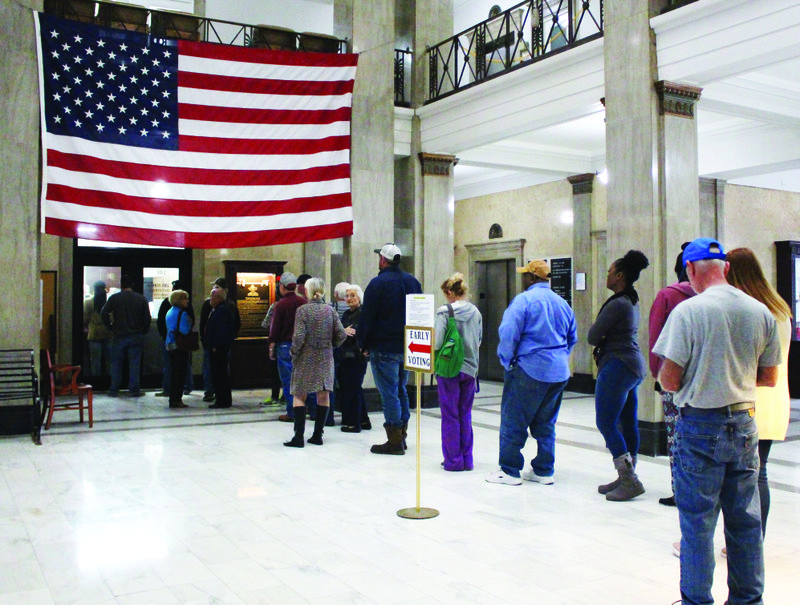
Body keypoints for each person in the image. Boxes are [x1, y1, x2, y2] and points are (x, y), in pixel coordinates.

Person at [653, 237, 780, 605]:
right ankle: (748, 599)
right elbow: (770, 377)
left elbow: (669, 379)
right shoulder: (760, 311)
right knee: (745, 521)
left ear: (690, 270)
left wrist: (706, 378)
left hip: (700, 425)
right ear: (725, 268)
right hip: (744, 423)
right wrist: (732, 377)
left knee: (697, 523)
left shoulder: (689, 312)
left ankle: (696, 600)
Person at [486, 260, 577, 485]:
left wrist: (507, 362)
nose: (523, 279)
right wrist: (560, 359)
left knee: (514, 419)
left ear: (532, 278)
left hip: (529, 369)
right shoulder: (562, 303)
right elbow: (572, 337)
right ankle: (544, 470)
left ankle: (509, 470)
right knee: (546, 422)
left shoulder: (524, 300)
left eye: (525, 275)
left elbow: (508, 332)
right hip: (558, 372)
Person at [726, 246, 792, 538]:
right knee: (758, 472)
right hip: (776, 399)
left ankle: (747, 541)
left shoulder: (752, 311)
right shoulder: (779, 308)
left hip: (752, 399)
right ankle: (755, 539)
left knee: (745, 477)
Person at [587, 250, 650, 501]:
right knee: (627, 421)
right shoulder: (631, 299)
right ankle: (628, 474)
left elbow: (593, 336)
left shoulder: (618, 303)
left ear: (620, 276)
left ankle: (629, 479)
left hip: (617, 365)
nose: (607, 275)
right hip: (632, 365)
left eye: (610, 272)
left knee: (606, 422)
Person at [358, 243, 423, 455]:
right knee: (401, 389)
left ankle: (394, 441)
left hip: (384, 347)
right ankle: (402, 434)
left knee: (389, 394)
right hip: (409, 345)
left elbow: (368, 317)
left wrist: (363, 343)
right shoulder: (413, 282)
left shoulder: (378, 284)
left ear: (383, 260)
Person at [648, 244, 695, 507]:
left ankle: (680, 490)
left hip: (674, 379)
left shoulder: (668, 296)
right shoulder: (712, 297)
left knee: (675, 436)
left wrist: (658, 375)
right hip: (706, 381)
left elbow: (656, 339)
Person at [283, 278, 346, 447]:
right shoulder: (330, 310)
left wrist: (294, 353)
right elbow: (341, 334)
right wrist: (329, 345)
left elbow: (298, 337)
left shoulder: (303, 311)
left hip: (305, 357)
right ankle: (318, 435)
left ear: (308, 291)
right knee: (323, 394)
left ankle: (298, 437)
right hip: (325, 357)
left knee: (299, 394)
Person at [435, 273, 482, 472]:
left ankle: (453, 461)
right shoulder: (476, 312)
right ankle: (467, 460)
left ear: (450, 292)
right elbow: (478, 340)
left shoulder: (444, 312)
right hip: (470, 368)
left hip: (449, 369)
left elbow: (437, 342)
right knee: (465, 414)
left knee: (450, 415)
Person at [100, 274, 151, 397]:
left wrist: (110, 327)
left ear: (121, 284)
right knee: (134, 363)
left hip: (119, 335)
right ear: (132, 285)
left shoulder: (115, 298)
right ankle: (134, 389)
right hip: (136, 335)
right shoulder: (141, 298)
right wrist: (143, 330)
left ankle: (114, 389)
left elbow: (104, 312)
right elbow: (147, 318)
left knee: (116, 363)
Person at [269, 272, 306, 421]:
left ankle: (292, 412)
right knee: (302, 379)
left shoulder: (281, 305)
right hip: (302, 345)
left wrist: (271, 345)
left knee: (288, 380)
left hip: (285, 346)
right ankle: (304, 408)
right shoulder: (303, 303)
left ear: (282, 287)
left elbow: (275, 327)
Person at [199, 277, 241, 403]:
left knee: (217, 370)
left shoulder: (224, 307)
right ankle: (216, 392)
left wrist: (212, 343)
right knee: (217, 369)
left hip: (217, 345)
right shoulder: (223, 305)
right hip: (218, 343)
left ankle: (215, 393)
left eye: (217, 287)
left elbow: (231, 325)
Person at [337, 284, 371, 433]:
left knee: (352, 389)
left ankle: (353, 423)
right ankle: (363, 420)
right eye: (347, 296)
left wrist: (344, 333)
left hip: (356, 356)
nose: (349, 299)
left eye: (352, 296)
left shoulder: (362, 313)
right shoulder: (346, 314)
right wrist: (344, 332)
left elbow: (355, 334)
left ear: (359, 298)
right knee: (354, 388)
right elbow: (341, 332)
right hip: (346, 356)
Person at [156, 280, 195, 398]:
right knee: (182, 367)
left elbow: (161, 322)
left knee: (170, 367)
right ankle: (185, 388)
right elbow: (187, 327)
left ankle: (168, 389)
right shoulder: (183, 311)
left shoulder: (168, 308)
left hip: (169, 340)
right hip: (180, 342)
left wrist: (165, 335)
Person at [204, 286, 236, 409]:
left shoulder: (221, 311)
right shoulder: (219, 309)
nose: (210, 299)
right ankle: (222, 399)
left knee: (219, 375)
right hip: (217, 348)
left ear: (217, 298)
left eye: (212, 296)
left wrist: (216, 346)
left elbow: (222, 331)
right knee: (218, 374)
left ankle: (222, 400)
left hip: (218, 349)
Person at [163, 289, 193, 409]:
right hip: (180, 345)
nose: (187, 301)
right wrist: (189, 323)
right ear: (179, 300)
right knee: (180, 373)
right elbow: (185, 330)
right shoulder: (182, 314)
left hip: (169, 344)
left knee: (173, 372)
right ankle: (177, 399)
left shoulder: (170, 312)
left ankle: (173, 398)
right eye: (185, 299)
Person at [83, 280, 112, 377]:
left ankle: (96, 381)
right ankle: (110, 381)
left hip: (94, 333)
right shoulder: (109, 302)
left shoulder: (88, 303)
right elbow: (113, 317)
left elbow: (85, 318)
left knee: (95, 361)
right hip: (108, 333)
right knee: (110, 361)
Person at [261, 300, 283, 406]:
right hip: (293, 343)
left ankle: (275, 396)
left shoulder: (276, 306)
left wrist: (271, 342)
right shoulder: (300, 303)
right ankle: (287, 397)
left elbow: (267, 324)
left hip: (278, 342)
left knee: (275, 372)